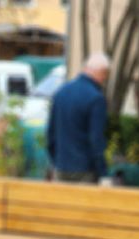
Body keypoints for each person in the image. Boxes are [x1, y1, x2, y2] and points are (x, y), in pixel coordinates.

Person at [45, 54, 109, 184]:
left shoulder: (60, 93)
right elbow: (96, 140)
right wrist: (103, 173)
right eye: (105, 75)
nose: (104, 79)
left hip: (61, 166)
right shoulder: (96, 98)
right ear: (101, 73)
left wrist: (56, 160)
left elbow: (51, 133)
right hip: (85, 170)